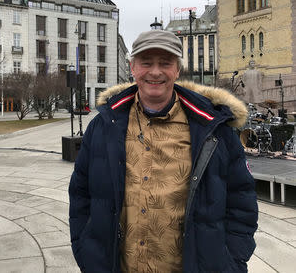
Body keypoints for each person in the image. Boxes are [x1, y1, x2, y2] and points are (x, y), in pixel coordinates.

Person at [68, 30, 258, 272]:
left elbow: (242, 200)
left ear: (177, 69)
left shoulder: (213, 129)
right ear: (133, 68)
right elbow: (80, 193)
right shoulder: (103, 126)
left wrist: (231, 260)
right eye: (146, 62)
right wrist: (87, 252)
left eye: (165, 63)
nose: (155, 72)